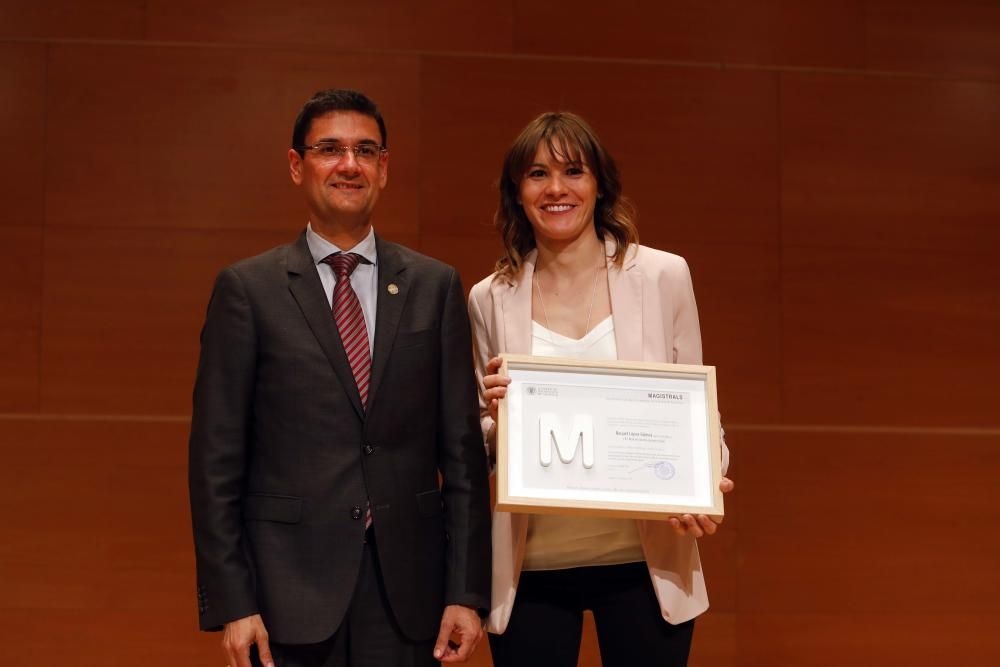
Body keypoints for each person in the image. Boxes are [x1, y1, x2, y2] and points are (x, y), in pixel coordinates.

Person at [189, 89, 491, 667]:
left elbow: (462, 455)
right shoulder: (248, 291)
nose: (348, 164)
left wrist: (465, 591)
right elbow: (215, 462)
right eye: (329, 149)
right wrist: (233, 601)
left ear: (384, 168)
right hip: (284, 594)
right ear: (297, 166)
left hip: (411, 597)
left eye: (365, 150)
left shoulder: (435, 287)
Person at [467, 111, 734, 666]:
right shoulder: (489, 297)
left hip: (645, 562)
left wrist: (703, 484)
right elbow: (481, 438)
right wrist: (493, 420)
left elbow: (695, 411)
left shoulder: (663, 277)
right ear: (517, 192)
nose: (557, 189)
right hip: (531, 568)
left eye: (574, 171)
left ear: (599, 184)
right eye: (538, 174)